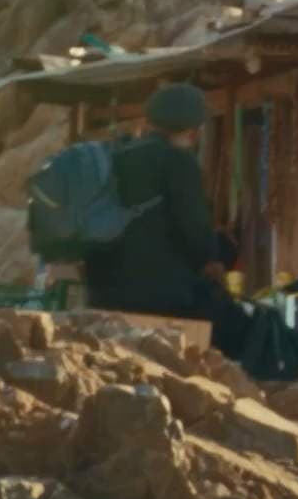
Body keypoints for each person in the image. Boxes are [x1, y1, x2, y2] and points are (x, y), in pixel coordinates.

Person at [80, 84, 225, 321]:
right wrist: (211, 260)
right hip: (163, 299)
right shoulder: (179, 162)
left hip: (103, 296)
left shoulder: (115, 157)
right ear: (193, 131)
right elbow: (195, 229)